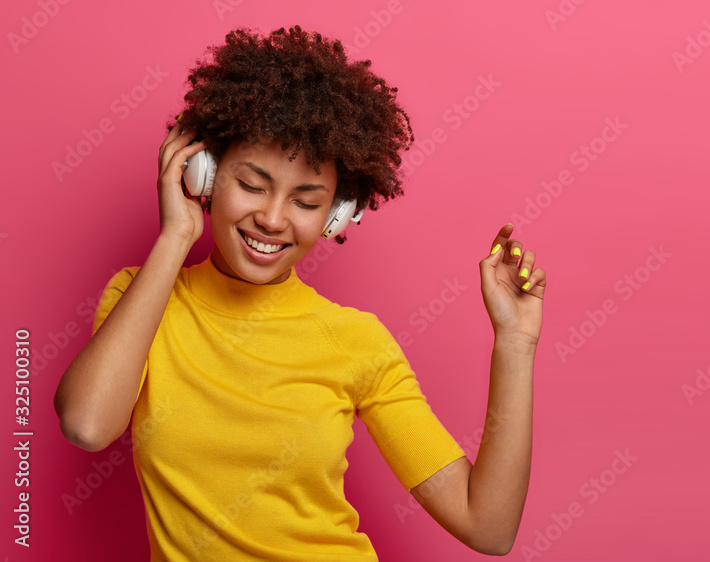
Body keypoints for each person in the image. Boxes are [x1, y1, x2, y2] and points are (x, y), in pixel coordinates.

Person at [53, 25, 545, 560]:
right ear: (203, 175)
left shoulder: (357, 342)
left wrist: (515, 343)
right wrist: (176, 236)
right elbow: (86, 424)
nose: (271, 218)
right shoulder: (140, 300)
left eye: (306, 202)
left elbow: (488, 528)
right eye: (251, 184)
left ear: (337, 216)